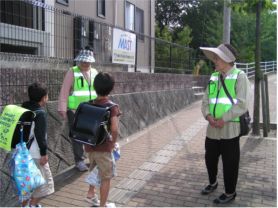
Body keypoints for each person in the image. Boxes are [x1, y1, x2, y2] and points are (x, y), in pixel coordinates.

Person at [200, 43, 250, 204]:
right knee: (210, 158)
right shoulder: (214, 76)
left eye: (217, 58)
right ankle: (213, 183)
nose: (214, 60)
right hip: (212, 128)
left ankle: (230, 192)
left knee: (230, 163)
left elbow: (242, 104)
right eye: (214, 57)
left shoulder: (240, 76)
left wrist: (223, 119)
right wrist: (208, 116)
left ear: (227, 60)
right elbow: (205, 100)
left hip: (230, 128)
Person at [58, 46, 98, 172]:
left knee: (92, 134)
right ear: (79, 60)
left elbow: (99, 91)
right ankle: (79, 160)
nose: (85, 63)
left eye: (87, 61)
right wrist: (62, 108)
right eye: (83, 61)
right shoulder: (72, 71)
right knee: (77, 136)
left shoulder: (95, 72)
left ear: (91, 61)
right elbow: (64, 90)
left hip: (92, 110)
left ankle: (92, 157)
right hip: (75, 110)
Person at [84, 72, 121, 207]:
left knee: (94, 170)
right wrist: (112, 144)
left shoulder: (88, 104)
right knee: (106, 177)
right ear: (111, 88)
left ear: (95, 87)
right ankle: (103, 205)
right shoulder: (112, 107)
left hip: (89, 147)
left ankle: (90, 194)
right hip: (104, 147)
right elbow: (115, 129)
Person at [22, 82, 55, 207]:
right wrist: (44, 154)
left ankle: (26, 205)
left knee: (28, 183)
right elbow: (40, 136)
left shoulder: (23, 108)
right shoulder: (39, 113)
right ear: (44, 98)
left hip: (23, 153)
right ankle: (32, 205)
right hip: (35, 154)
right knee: (46, 184)